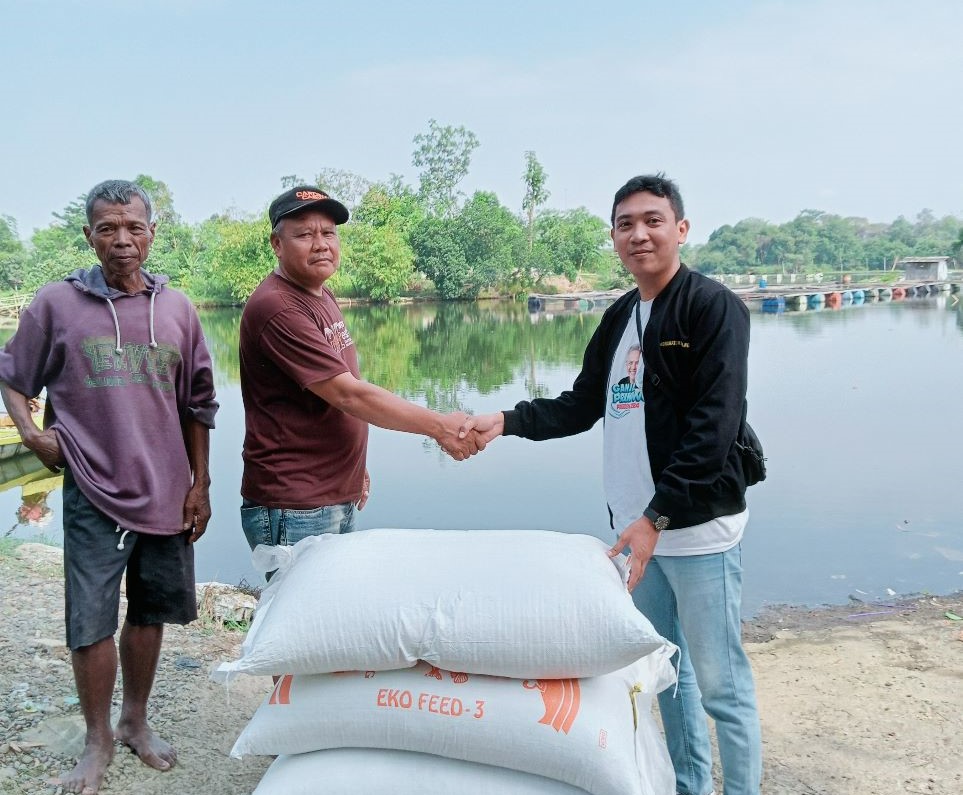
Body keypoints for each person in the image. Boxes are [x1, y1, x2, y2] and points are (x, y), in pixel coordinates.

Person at [468, 174, 762, 795]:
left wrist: (657, 518)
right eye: (626, 224)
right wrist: (504, 421)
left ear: (681, 229)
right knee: (666, 676)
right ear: (613, 238)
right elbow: (581, 405)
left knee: (721, 687)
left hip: (696, 530)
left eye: (653, 220)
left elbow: (714, 428)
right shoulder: (621, 315)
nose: (639, 234)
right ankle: (690, 786)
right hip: (635, 532)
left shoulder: (711, 308)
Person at [0, 179, 218, 795]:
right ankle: (97, 740)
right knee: (90, 621)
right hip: (93, 489)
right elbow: (13, 378)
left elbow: (199, 404)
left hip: (169, 491)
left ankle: (134, 722)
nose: (122, 240)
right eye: (107, 228)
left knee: (150, 613)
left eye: (134, 227)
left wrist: (201, 482)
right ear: (90, 234)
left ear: (152, 232)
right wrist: (33, 438)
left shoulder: (177, 309)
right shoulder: (56, 305)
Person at [240, 186, 481, 563]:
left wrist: (353, 469)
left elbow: (336, 392)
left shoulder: (321, 294)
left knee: (331, 616)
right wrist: (440, 426)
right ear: (276, 244)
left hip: (330, 493)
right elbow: (349, 395)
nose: (320, 244)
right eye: (304, 234)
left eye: (329, 233)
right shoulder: (278, 307)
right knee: (307, 619)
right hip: (296, 505)